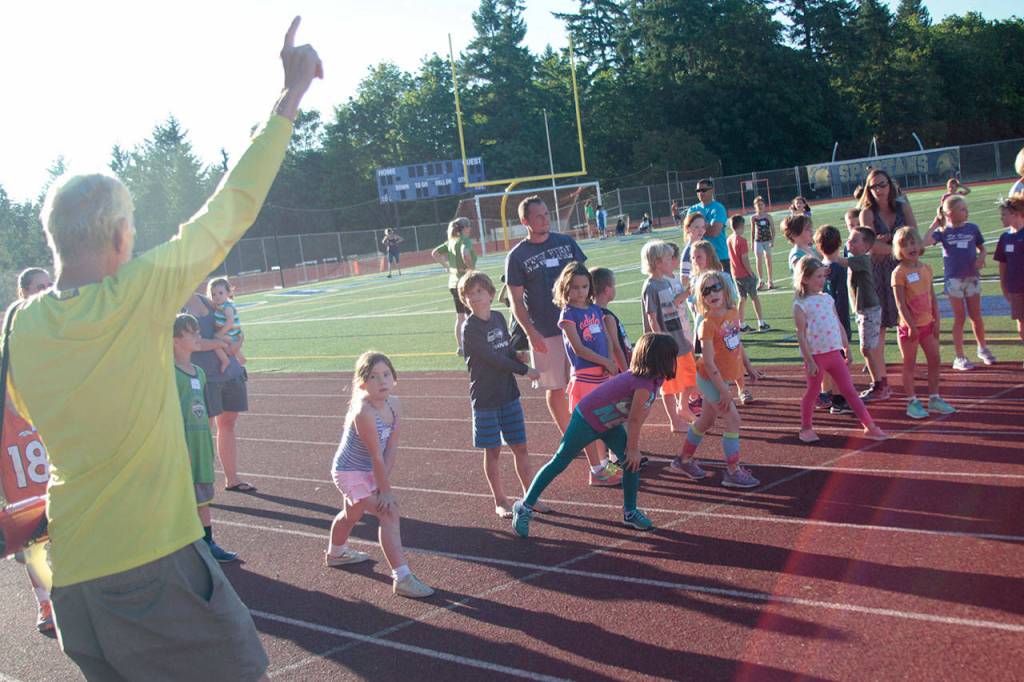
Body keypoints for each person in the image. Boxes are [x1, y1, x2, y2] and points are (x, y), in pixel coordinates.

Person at [3, 17, 321, 679]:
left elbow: (29, 412)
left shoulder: (18, 326)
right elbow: (231, 206)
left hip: (74, 580)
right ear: (120, 237)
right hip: (150, 564)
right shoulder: (140, 291)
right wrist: (289, 98)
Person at [511, 333, 679, 536]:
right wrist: (633, 449)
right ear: (658, 359)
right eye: (671, 356)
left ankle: (630, 512)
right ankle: (524, 506)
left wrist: (631, 451)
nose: (674, 361)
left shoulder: (655, 378)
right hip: (587, 419)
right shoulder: (642, 382)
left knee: (630, 463)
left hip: (609, 422)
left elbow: (639, 415)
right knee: (560, 461)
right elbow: (634, 420)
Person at [326, 351, 434, 599]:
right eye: (374, 377)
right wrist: (384, 491)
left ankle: (336, 553)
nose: (382, 381)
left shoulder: (395, 405)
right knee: (389, 512)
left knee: (351, 514)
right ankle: (402, 577)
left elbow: (391, 447)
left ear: (394, 378)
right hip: (349, 473)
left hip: (369, 470)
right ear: (362, 383)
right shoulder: (363, 412)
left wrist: (381, 483)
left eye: (386, 374)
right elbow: (376, 454)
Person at [458, 271, 548, 517]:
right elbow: (493, 359)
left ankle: (530, 496)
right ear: (464, 299)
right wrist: (524, 369)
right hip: (485, 399)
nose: (474, 297)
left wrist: (516, 355)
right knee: (493, 451)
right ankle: (500, 500)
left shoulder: (498, 317)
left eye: (479, 291)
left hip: (508, 394)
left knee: (521, 447)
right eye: (469, 293)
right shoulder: (469, 328)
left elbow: (504, 349)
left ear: (489, 293)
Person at [505, 196, 587, 438]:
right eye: (538, 216)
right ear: (525, 221)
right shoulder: (517, 256)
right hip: (546, 331)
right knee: (555, 386)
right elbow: (516, 301)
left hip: (577, 325)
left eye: (547, 214)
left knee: (586, 380)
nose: (545, 219)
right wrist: (531, 333)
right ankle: (570, 437)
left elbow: (585, 280)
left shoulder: (566, 242)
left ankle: (593, 433)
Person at [672, 271, 760, 488]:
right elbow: (709, 364)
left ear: (724, 289)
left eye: (715, 287)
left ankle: (683, 459)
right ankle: (732, 471)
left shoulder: (732, 313)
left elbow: (737, 345)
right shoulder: (707, 324)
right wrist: (723, 391)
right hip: (709, 379)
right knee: (733, 420)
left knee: (706, 421)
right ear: (700, 298)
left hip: (721, 379)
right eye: (706, 291)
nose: (712, 293)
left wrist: (748, 367)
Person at [3, 268, 55, 633]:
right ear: (22, 293)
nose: (47, 292)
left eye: (50, 286)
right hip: (20, 446)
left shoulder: (63, 328)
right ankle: (46, 603)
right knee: (33, 537)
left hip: (60, 442)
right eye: (39, 287)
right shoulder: (12, 334)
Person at [792, 257, 888, 443]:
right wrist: (809, 361)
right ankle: (806, 428)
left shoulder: (827, 299)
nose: (821, 280)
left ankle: (870, 426)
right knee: (812, 392)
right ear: (804, 278)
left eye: (822, 276)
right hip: (816, 357)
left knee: (849, 391)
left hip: (834, 353)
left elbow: (838, 324)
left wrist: (846, 347)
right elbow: (801, 336)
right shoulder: (800, 305)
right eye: (816, 276)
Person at [172, 314, 238, 563]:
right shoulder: (169, 374)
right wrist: (180, 446)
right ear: (175, 339)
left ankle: (207, 542)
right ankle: (184, 547)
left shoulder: (198, 372)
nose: (199, 336)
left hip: (201, 443)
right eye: (192, 332)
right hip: (182, 444)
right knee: (182, 497)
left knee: (203, 496)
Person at [554, 262, 623, 486]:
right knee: (587, 427)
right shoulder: (568, 314)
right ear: (565, 288)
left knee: (607, 421)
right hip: (584, 378)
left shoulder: (595, 310)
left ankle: (605, 464)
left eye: (584, 287)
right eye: (575, 287)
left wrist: (610, 360)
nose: (580, 292)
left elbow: (605, 339)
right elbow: (578, 348)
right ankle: (595, 469)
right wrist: (604, 361)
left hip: (602, 375)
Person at [922, 195, 995, 370]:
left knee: (976, 315)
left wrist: (982, 257)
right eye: (962, 209)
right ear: (950, 213)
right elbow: (924, 243)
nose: (966, 212)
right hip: (954, 280)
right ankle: (960, 356)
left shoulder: (972, 228)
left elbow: (982, 247)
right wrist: (935, 223)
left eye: (966, 208)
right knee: (960, 317)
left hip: (972, 277)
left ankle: (982, 348)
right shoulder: (943, 232)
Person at [890, 227, 956, 420]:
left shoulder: (926, 268)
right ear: (898, 250)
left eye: (913, 243)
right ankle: (912, 401)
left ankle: (934, 397)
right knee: (909, 364)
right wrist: (911, 326)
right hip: (909, 328)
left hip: (928, 324)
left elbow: (932, 297)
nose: (911, 247)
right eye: (905, 245)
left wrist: (936, 320)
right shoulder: (899, 273)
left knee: (935, 359)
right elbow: (900, 303)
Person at [688, 240, 762, 405]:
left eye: (698, 256)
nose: (695, 260)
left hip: (726, 321)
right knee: (713, 358)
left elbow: (731, 299)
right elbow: (694, 303)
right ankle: (715, 390)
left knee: (732, 352)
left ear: (709, 256)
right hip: (707, 323)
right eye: (692, 258)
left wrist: (731, 318)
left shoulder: (723, 277)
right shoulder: (694, 281)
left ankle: (742, 389)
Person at [859, 168, 919, 361]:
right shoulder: (867, 213)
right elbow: (870, 244)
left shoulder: (902, 207)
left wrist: (891, 241)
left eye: (882, 184)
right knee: (881, 322)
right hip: (879, 272)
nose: (879, 189)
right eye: (873, 186)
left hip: (903, 269)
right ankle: (880, 370)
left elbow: (914, 234)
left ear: (890, 185)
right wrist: (899, 247)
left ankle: (910, 365)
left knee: (907, 318)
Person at [641, 240, 698, 430]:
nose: (671, 261)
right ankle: (675, 421)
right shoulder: (651, 286)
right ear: (658, 263)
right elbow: (652, 317)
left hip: (678, 338)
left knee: (691, 374)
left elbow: (671, 307)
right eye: (667, 258)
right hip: (664, 342)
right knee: (669, 384)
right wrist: (660, 342)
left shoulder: (665, 282)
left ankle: (683, 407)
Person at [845, 227, 890, 401]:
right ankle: (881, 383)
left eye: (855, 240)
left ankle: (877, 385)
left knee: (867, 349)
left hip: (869, 310)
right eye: (849, 239)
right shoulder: (857, 258)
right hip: (864, 309)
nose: (849, 242)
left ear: (866, 246)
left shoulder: (861, 259)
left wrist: (827, 257)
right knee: (871, 348)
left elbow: (840, 262)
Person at [813, 225, 854, 416]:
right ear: (839, 244)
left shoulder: (819, 269)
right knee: (839, 362)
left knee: (828, 360)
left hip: (822, 323)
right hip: (836, 321)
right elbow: (840, 298)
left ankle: (825, 394)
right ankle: (838, 400)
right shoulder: (838, 268)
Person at [431, 217, 477, 356]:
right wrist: (471, 269)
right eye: (469, 226)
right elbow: (465, 253)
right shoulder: (464, 241)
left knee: (460, 316)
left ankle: (461, 347)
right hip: (465, 282)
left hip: (453, 283)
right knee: (474, 315)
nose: (470, 229)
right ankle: (474, 344)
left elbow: (435, 253)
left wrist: (447, 267)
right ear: (464, 228)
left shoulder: (451, 241)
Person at [995, 194, 1024, 364]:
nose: (1002, 218)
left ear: (1016, 213)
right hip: (1015, 287)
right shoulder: (1004, 238)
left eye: (1004, 214)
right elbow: (1002, 264)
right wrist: (1004, 286)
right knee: (1021, 320)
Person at [727, 215, 769, 332]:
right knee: (754, 297)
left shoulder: (729, 239)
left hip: (735, 273)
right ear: (741, 226)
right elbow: (744, 259)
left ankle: (741, 323)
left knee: (742, 298)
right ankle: (761, 322)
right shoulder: (742, 241)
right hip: (744, 273)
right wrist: (751, 273)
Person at [591, 267, 631, 372]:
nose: (615, 288)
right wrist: (626, 372)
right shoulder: (607, 317)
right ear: (606, 290)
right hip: (617, 371)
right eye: (613, 285)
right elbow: (615, 348)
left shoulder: (594, 312)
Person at [687, 179, 730, 273]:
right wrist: (706, 226)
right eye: (698, 191)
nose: (700, 193)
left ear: (712, 190)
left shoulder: (718, 208)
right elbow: (689, 233)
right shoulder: (692, 210)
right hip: (699, 259)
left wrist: (698, 225)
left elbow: (714, 232)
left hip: (719, 256)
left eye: (703, 190)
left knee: (724, 287)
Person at [208, 276, 246, 373]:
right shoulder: (219, 305)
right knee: (226, 344)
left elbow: (230, 322)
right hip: (231, 333)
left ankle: (225, 360)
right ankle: (241, 358)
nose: (217, 296)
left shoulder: (227, 306)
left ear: (228, 293)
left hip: (231, 333)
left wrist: (220, 334)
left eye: (220, 293)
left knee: (215, 342)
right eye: (214, 294)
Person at [750, 196, 775, 289]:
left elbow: (772, 229)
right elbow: (752, 231)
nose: (760, 206)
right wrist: (752, 243)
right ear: (755, 206)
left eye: (761, 204)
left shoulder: (768, 217)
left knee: (768, 260)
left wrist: (772, 240)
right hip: (758, 241)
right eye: (758, 205)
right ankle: (761, 280)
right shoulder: (753, 218)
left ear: (764, 205)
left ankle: (770, 280)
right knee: (758, 260)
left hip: (767, 240)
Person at [679, 212, 707, 294]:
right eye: (696, 227)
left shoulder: (705, 246)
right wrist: (698, 283)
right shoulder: (688, 251)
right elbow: (684, 280)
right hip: (698, 295)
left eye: (703, 227)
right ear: (688, 229)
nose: (701, 230)